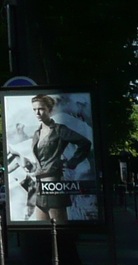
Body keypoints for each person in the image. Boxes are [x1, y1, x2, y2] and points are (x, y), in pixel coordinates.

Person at [29, 94, 94, 224]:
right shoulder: (37, 133)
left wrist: (72, 163)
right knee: (41, 228)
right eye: (34, 109)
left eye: (41, 109)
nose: (37, 113)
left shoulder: (59, 130)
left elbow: (85, 143)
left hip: (54, 184)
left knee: (59, 227)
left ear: (49, 109)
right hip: (39, 185)